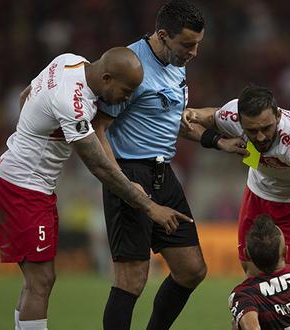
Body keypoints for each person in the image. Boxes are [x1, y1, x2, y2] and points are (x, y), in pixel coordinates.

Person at [0, 47, 191, 330]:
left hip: (28, 183)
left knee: (37, 280)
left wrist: (30, 135)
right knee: (41, 280)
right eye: (127, 90)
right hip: (22, 187)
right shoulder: (73, 103)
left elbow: (26, 95)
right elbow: (99, 167)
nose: (128, 98)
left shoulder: (68, 61)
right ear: (106, 79)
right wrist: (149, 207)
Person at [91, 1, 237, 329]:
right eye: (188, 44)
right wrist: (122, 183)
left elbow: (173, 120)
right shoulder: (130, 66)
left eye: (198, 44)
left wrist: (218, 141)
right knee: (131, 279)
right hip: (130, 172)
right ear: (162, 35)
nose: (194, 52)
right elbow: (99, 127)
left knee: (191, 270)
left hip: (163, 174)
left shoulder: (176, 61)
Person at [184, 86, 290, 277]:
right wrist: (193, 114)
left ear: (278, 116)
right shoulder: (232, 114)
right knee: (252, 270)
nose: (261, 137)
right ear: (240, 121)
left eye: (266, 128)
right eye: (252, 131)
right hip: (259, 194)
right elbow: (210, 116)